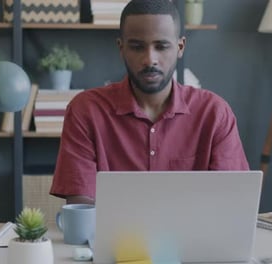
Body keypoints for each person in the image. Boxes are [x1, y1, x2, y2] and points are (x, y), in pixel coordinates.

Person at [50, 0, 249, 205]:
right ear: (121, 48)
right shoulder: (86, 110)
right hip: (113, 238)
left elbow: (232, 200)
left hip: (196, 237)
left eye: (161, 46)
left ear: (180, 47)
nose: (149, 59)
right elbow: (81, 207)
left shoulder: (214, 113)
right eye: (137, 47)